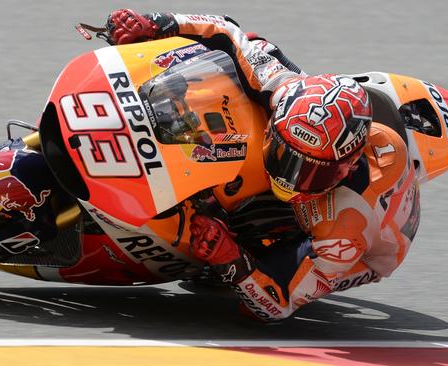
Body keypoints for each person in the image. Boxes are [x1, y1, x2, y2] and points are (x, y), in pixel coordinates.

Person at [106, 9, 420, 321]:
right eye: (286, 155)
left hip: (362, 248)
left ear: (345, 168)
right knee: (248, 56)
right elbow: (227, 31)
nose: (290, 178)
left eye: (312, 172)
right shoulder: (284, 91)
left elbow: (278, 304)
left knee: (239, 275)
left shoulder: (343, 233)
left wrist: (231, 260)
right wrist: (156, 23)